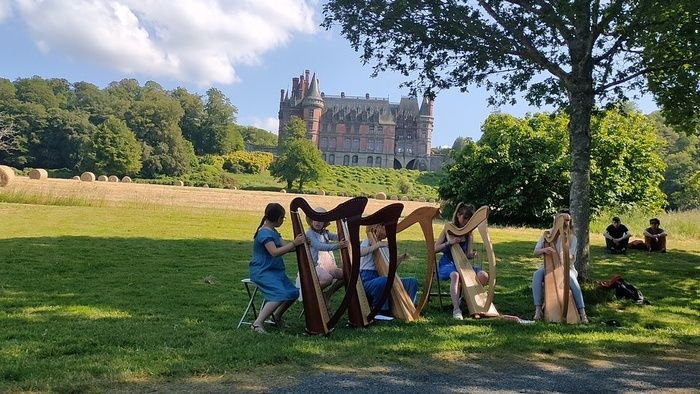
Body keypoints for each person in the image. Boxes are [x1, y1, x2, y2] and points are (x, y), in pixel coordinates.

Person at [249, 203, 305, 333]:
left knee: (293, 293)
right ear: (278, 218)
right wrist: (294, 243)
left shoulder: (273, 232)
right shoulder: (264, 234)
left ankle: (277, 317)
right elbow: (274, 252)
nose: (283, 220)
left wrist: (300, 244)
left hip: (275, 272)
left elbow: (286, 246)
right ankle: (257, 323)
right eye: (283, 218)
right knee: (280, 294)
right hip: (262, 271)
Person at [434, 203, 489, 320]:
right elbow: (434, 248)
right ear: (458, 215)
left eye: (469, 219)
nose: (466, 221)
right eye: (465, 217)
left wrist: (471, 254)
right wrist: (449, 242)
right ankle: (456, 309)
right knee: (455, 275)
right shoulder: (447, 230)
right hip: (448, 263)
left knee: (483, 275)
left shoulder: (469, 234)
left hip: (463, 265)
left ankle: (463, 300)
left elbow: (467, 254)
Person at [532, 210, 588, 324]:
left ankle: (582, 313)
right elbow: (535, 252)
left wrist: (566, 255)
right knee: (537, 274)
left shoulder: (572, 238)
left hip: (568, 268)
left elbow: (572, 256)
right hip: (549, 268)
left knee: (571, 279)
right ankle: (538, 309)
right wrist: (544, 250)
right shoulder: (548, 235)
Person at [359, 224, 419, 315]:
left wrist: (400, 259)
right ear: (376, 228)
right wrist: (377, 245)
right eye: (384, 228)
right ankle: (381, 310)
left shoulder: (385, 246)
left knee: (412, 281)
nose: (387, 231)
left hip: (385, 278)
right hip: (368, 280)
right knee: (384, 281)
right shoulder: (367, 242)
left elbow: (390, 269)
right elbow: (360, 253)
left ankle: (408, 307)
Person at [305, 208, 347, 288]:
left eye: (321, 220)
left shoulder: (324, 232)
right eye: (315, 219)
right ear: (311, 220)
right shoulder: (310, 234)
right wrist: (337, 245)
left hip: (327, 265)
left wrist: (346, 233)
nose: (318, 222)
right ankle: (312, 292)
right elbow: (319, 246)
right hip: (315, 266)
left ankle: (328, 294)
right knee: (328, 279)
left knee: (346, 275)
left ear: (325, 222)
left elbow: (337, 237)